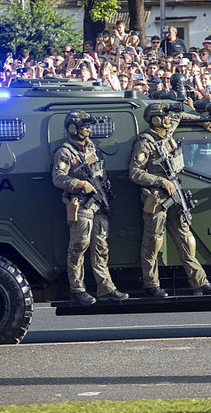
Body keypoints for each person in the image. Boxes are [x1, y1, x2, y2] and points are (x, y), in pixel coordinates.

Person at [128, 102, 211, 298]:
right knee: (153, 241)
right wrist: (160, 181)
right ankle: (151, 284)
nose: (168, 119)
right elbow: (135, 173)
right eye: (164, 117)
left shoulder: (167, 131)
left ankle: (199, 282)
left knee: (185, 238)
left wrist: (204, 122)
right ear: (156, 120)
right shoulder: (145, 142)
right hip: (156, 196)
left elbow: (180, 116)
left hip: (174, 192)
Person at [52, 111, 128, 305]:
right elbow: (58, 178)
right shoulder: (65, 152)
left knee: (101, 247)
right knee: (79, 246)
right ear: (73, 128)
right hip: (81, 203)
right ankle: (77, 289)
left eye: (88, 126)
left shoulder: (91, 147)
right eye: (85, 126)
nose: (88, 129)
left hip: (98, 203)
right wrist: (80, 184)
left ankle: (106, 288)